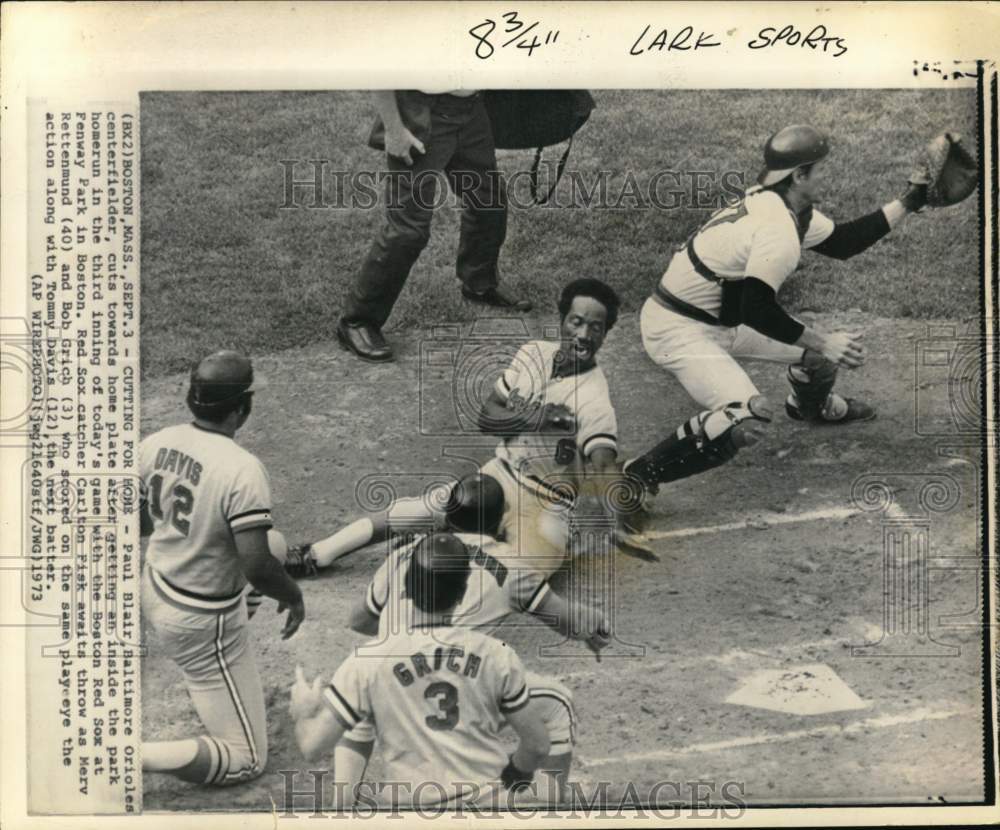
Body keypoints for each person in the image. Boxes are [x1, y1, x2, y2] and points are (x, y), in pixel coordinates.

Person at [624, 124, 929, 496]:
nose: (826, 175)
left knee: (817, 359)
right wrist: (824, 341)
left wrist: (910, 202)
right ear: (799, 175)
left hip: (724, 318)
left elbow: (843, 242)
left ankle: (809, 408)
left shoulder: (785, 206)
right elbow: (757, 308)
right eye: (820, 168)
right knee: (746, 417)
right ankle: (638, 475)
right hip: (678, 330)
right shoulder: (777, 229)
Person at [287, 278, 641, 577]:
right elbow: (487, 417)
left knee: (521, 576)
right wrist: (537, 419)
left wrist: (616, 518)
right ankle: (317, 554)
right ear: (562, 319)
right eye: (577, 322)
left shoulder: (595, 401)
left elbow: (604, 465)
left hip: (547, 504)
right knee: (421, 508)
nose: (584, 334)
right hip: (497, 477)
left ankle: (463, 542)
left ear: (606, 334)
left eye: (596, 327)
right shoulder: (533, 353)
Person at [337, 530, 609, 803]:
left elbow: (357, 621)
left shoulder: (404, 554)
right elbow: (569, 621)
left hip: (394, 683)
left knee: (360, 695)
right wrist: (594, 625)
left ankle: (342, 809)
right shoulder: (509, 563)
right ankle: (545, 810)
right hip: (463, 681)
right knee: (556, 700)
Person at [139, 350, 306, 786]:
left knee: (274, 540)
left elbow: (140, 521)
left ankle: (221, 660)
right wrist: (294, 596)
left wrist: (194, 528)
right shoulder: (242, 470)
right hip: (199, 623)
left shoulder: (157, 441)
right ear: (241, 408)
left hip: (156, 582)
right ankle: (122, 757)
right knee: (246, 758)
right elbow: (257, 569)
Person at [289, 533, 551, 808]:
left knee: (360, 709)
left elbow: (312, 747)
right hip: (489, 811)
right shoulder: (498, 655)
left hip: (413, 813)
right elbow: (537, 746)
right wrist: (516, 774)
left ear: (407, 587)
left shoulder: (367, 661)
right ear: (461, 594)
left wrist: (303, 713)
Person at [338, 90, 531, 363]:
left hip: (472, 111)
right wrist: (394, 130)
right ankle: (357, 321)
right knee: (408, 230)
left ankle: (479, 282)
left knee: (489, 202)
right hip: (421, 116)